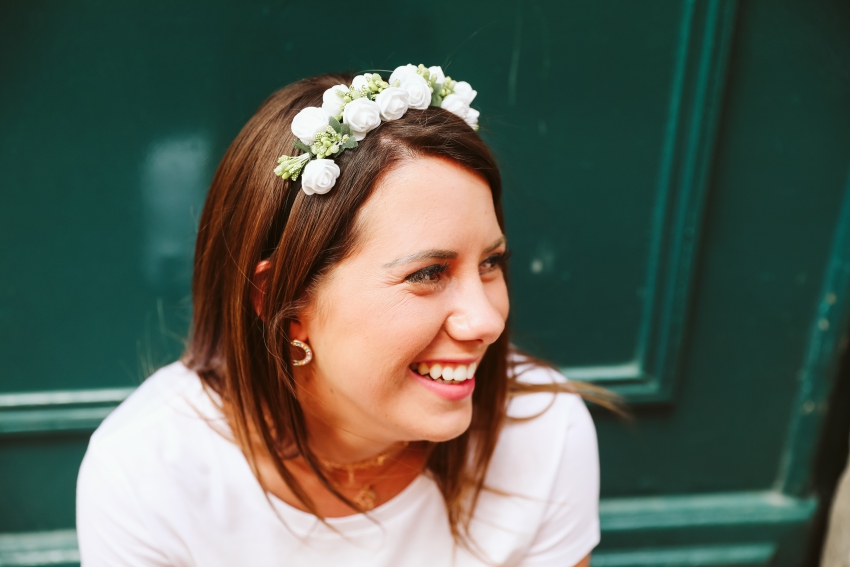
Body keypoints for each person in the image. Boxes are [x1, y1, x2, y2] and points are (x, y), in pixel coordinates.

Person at [76, 64, 607, 566]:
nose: (486, 321)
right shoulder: (146, 473)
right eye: (427, 273)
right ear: (282, 301)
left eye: (490, 263)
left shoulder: (538, 432)